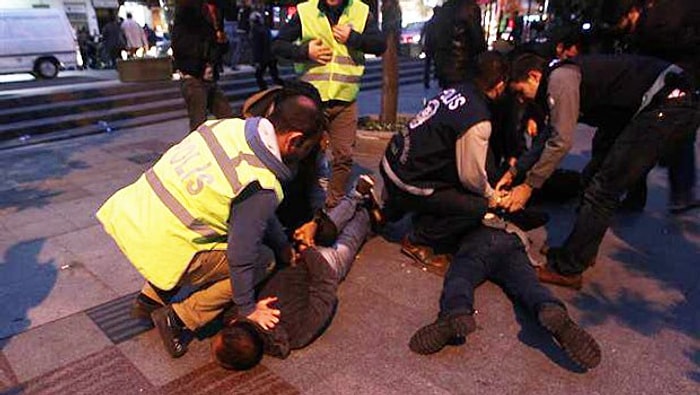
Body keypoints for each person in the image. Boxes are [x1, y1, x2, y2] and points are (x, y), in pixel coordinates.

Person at [95, 86, 326, 358]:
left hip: (134, 215)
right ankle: (181, 319)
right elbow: (243, 254)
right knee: (263, 259)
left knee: (197, 223)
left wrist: (282, 242)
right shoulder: (261, 183)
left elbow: (258, 214)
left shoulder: (225, 127)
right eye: (309, 148)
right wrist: (248, 309)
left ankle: (150, 298)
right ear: (295, 141)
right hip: (165, 245)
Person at [502, 53, 700, 289]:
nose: (522, 100)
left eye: (520, 92)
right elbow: (551, 133)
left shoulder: (559, 80)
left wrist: (528, 186)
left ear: (534, 76)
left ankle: (570, 268)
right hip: (645, 106)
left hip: (667, 106)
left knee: (602, 189)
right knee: (592, 176)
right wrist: (516, 170)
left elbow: (561, 142)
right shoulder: (560, 76)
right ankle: (581, 249)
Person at [212, 178, 378, 371]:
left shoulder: (243, 311)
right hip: (322, 266)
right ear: (234, 327)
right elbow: (325, 287)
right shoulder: (296, 332)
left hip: (291, 256)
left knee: (326, 226)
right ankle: (366, 211)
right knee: (349, 239)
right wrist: (308, 251)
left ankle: (356, 197)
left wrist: (297, 250)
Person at [409, 213, 602, 370]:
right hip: (512, 244)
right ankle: (548, 306)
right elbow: (542, 216)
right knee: (529, 285)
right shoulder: (512, 216)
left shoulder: (472, 212)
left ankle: (455, 311)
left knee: (460, 278)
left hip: (476, 243)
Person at [380, 51, 509, 271]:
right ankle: (418, 240)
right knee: (477, 206)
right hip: (407, 180)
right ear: (500, 84)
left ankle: (395, 208)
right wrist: (492, 196)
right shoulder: (477, 117)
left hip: (391, 163)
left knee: (453, 179)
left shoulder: (456, 91)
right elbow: (470, 177)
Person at [272, 0, 386, 208]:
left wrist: (354, 38)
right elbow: (278, 45)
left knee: (343, 155)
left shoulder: (361, 11)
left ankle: (334, 207)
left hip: (345, 99)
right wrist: (305, 52)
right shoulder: (305, 11)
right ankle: (299, 205)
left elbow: (380, 45)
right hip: (311, 103)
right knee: (305, 153)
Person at [614, 0, 700, 213]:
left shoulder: (653, 15)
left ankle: (637, 193)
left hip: (659, 78)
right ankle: (679, 191)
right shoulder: (682, 10)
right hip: (681, 78)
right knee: (681, 135)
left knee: (652, 134)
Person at [172, 0, 234, 130]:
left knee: (228, 118)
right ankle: (196, 149)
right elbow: (181, 45)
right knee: (199, 125)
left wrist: (221, 43)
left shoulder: (215, 10)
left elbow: (220, 46)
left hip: (209, 76)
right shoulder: (189, 11)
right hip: (193, 76)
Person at [429, 0, 486, 88]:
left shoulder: (443, 10)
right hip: (464, 67)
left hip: (444, 67)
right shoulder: (469, 8)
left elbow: (434, 39)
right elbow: (477, 39)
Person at [249, 11, 284, 90]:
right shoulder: (265, 28)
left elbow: (256, 46)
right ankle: (284, 87)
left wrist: (256, 60)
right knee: (274, 75)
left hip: (263, 57)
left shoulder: (255, 31)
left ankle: (264, 90)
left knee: (259, 75)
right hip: (271, 56)